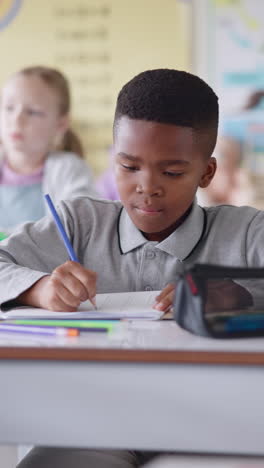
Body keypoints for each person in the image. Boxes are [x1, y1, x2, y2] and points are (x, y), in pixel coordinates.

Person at [0, 68, 264, 467]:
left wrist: (243, 295)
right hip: (98, 425)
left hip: (213, 428)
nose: (147, 186)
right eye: (128, 166)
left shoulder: (245, 233)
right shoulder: (78, 223)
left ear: (207, 172)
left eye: (172, 172)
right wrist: (38, 289)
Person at [0, 65, 97, 235]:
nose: (17, 119)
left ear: (60, 124)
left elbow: (78, 226)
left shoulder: (71, 170)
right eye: (9, 108)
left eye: (33, 112)